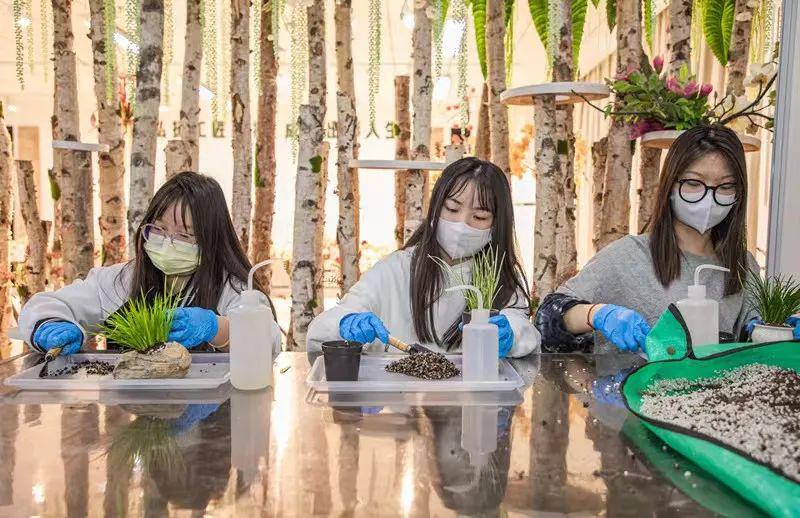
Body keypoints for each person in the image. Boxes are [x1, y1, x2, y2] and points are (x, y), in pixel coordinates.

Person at [536, 125, 764, 354]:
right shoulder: (627, 257)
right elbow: (546, 320)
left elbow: (758, 348)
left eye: (725, 186)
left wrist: (769, 332)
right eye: (694, 183)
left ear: (738, 193)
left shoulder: (743, 267)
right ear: (670, 185)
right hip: (629, 378)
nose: (709, 198)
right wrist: (596, 314)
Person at [19, 172, 281, 356]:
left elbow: (267, 341)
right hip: (133, 411)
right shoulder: (120, 281)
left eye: (184, 235)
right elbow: (47, 305)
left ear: (211, 240)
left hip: (216, 411)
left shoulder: (233, 289)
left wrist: (217, 328)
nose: (167, 242)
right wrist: (50, 325)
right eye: (158, 229)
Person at [308, 157, 539, 357]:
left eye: (479, 217)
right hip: (398, 392)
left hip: (475, 393)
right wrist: (345, 323)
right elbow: (321, 330)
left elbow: (524, 331)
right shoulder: (397, 269)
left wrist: (511, 335)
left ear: (497, 225)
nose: (461, 225)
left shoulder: (500, 279)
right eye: (452, 209)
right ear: (435, 208)